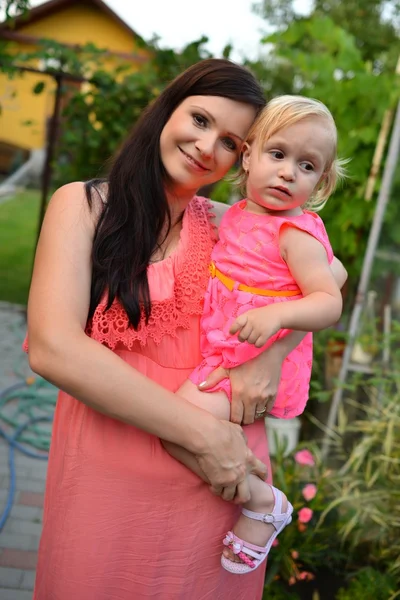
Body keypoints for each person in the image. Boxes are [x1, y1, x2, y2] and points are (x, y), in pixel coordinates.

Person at [24, 58, 346, 600]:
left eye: (229, 141)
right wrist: (203, 435)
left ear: (240, 160)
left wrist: (271, 354)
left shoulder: (232, 222)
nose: (205, 145)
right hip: (123, 471)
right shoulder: (84, 206)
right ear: (167, 109)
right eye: (199, 119)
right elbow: (54, 349)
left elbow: (330, 275)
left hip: (217, 488)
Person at [161, 95, 346, 575]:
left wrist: (279, 317)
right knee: (181, 431)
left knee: (176, 428)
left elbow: (329, 300)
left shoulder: (296, 235)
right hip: (227, 352)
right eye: (277, 154)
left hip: (254, 358)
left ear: (321, 181)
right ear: (248, 156)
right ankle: (249, 492)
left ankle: (265, 504)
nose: (287, 173)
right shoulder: (241, 213)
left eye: (306, 165)